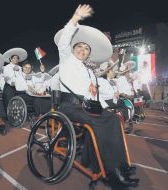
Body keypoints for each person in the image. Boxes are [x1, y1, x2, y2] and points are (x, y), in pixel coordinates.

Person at [55, 4, 139, 186]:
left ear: (88, 55)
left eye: (86, 49)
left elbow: (94, 94)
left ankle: (121, 165)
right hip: (69, 106)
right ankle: (111, 174)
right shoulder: (66, 59)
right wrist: (75, 18)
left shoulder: (89, 72)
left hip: (87, 106)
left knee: (113, 118)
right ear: (73, 48)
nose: (82, 50)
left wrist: (108, 107)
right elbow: (64, 40)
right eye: (79, 47)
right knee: (102, 122)